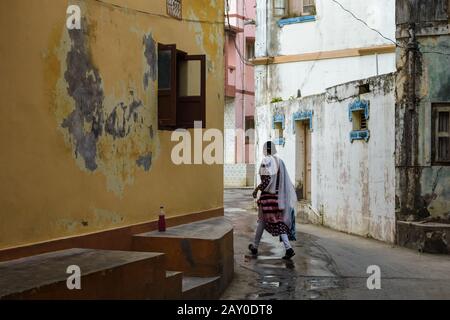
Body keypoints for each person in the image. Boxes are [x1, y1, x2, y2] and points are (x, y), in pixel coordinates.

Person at [249, 141, 298, 260]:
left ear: (265, 150)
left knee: (262, 220)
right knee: (276, 222)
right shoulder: (280, 162)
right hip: (278, 197)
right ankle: (288, 248)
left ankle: (256, 246)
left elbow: (267, 180)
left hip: (267, 198)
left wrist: (256, 189)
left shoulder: (266, 161)